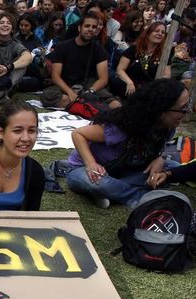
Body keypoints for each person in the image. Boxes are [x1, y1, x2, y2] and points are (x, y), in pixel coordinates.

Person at [66, 78, 186, 209]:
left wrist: (159, 158)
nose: (186, 112)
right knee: (99, 183)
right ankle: (138, 196)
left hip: (125, 171)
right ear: (162, 111)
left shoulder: (167, 127)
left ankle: (109, 193)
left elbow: (156, 151)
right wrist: (90, 163)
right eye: (182, 108)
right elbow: (78, 134)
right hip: (86, 170)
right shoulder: (121, 127)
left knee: (173, 166)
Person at [41, 12, 121, 109]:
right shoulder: (63, 47)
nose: (90, 29)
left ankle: (81, 105)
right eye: (87, 26)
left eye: (94, 27)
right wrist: (70, 92)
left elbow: (103, 79)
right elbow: (56, 76)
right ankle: (83, 106)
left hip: (89, 86)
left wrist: (90, 92)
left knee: (115, 105)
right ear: (80, 28)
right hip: (65, 85)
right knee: (52, 96)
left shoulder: (99, 50)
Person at [113, 21, 170, 96]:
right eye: (156, 31)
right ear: (148, 33)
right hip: (129, 86)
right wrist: (129, 82)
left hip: (148, 90)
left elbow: (167, 76)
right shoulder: (134, 49)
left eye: (163, 32)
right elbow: (120, 69)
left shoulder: (163, 55)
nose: (160, 34)